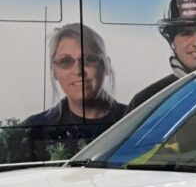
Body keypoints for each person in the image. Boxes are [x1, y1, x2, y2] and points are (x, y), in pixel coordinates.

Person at [9, 23, 127, 162]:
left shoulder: (138, 119)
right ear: (54, 72)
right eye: (65, 61)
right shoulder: (32, 131)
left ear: (106, 65)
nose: (78, 71)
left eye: (88, 59)